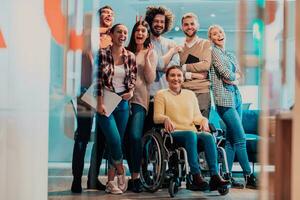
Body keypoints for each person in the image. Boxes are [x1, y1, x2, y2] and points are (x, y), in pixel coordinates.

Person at [153, 66, 230, 191]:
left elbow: (196, 117)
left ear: (183, 79)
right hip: (174, 134)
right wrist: (165, 119)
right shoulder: (161, 95)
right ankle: (195, 175)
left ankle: (215, 176)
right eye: (172, 75)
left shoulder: (190, 94)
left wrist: (204, 120)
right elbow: (157, 117)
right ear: (167, 78)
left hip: (192, 134)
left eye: (179, 75)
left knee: (208, 136)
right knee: (190, 134)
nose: (176, 78)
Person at [71, 5, 114, 193]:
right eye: (105, 13)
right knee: (82, 135)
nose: (109, 16)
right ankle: (76, 180)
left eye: (111, 14)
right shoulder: (90, 34)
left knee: (104, 137)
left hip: (107, 93)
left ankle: (93, 179)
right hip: (86, 90)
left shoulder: (114, 37)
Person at [208, 24, 258, 189]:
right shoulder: (214, 52)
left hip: (236, 97)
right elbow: (226, 74)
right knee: (241, 138)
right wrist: (234, 77)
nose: (219, 35)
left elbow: (239, 76)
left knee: (231, 140)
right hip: (224, 100)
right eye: (215, 34)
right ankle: (249, 176)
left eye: (220, 32)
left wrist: (234, 78)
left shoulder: (229, 54)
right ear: (211, 39)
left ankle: (227, 175)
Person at [95, 23, 137, 194]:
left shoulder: (130, 55)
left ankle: (111, 182)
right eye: (119, 31)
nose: (123, 35)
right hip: (105, 100)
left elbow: (133, 78)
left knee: (117, 142)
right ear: (111, 34)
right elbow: (97, 79)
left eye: (125, 32)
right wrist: (99, 103)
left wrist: (131, 91)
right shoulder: (102, 54)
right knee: (114, 140)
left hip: (122, 102)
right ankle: (122, 171)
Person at [125, 20, 157, 193]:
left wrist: (146, 59)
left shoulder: (150, 52)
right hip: (121, 100)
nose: (140, 33)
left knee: (135, 136)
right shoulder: (126, 51)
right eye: (137, 30)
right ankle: (132, 176)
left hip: (139, 99)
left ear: (147, 35)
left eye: (143, 30)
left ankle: (136, 177)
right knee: (125, 140)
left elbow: (150, 79)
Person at [144, 6, 180, 132]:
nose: (159, 24)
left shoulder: (170, 42)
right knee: (146, 133)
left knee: (166, 135)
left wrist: (161, 65)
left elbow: (174, 67)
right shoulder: (145, 42)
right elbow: (159, 64)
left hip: (166, 97)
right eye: (156, 21)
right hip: (148, 97)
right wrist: (171, 52)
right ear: (150, 22)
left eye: (162, 22)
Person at [179, 12, 212, 118]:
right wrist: (194, 74)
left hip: (202, 92)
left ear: (197, 25)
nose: (189, 27)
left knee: (203, 130)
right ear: (182, 27)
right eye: (186, 24)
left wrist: (185, 67)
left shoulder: (206, 44)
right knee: (186, 128)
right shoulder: (179, 48)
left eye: (192, 24)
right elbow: (176, 71)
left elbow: (206, 65)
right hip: (184, 92)